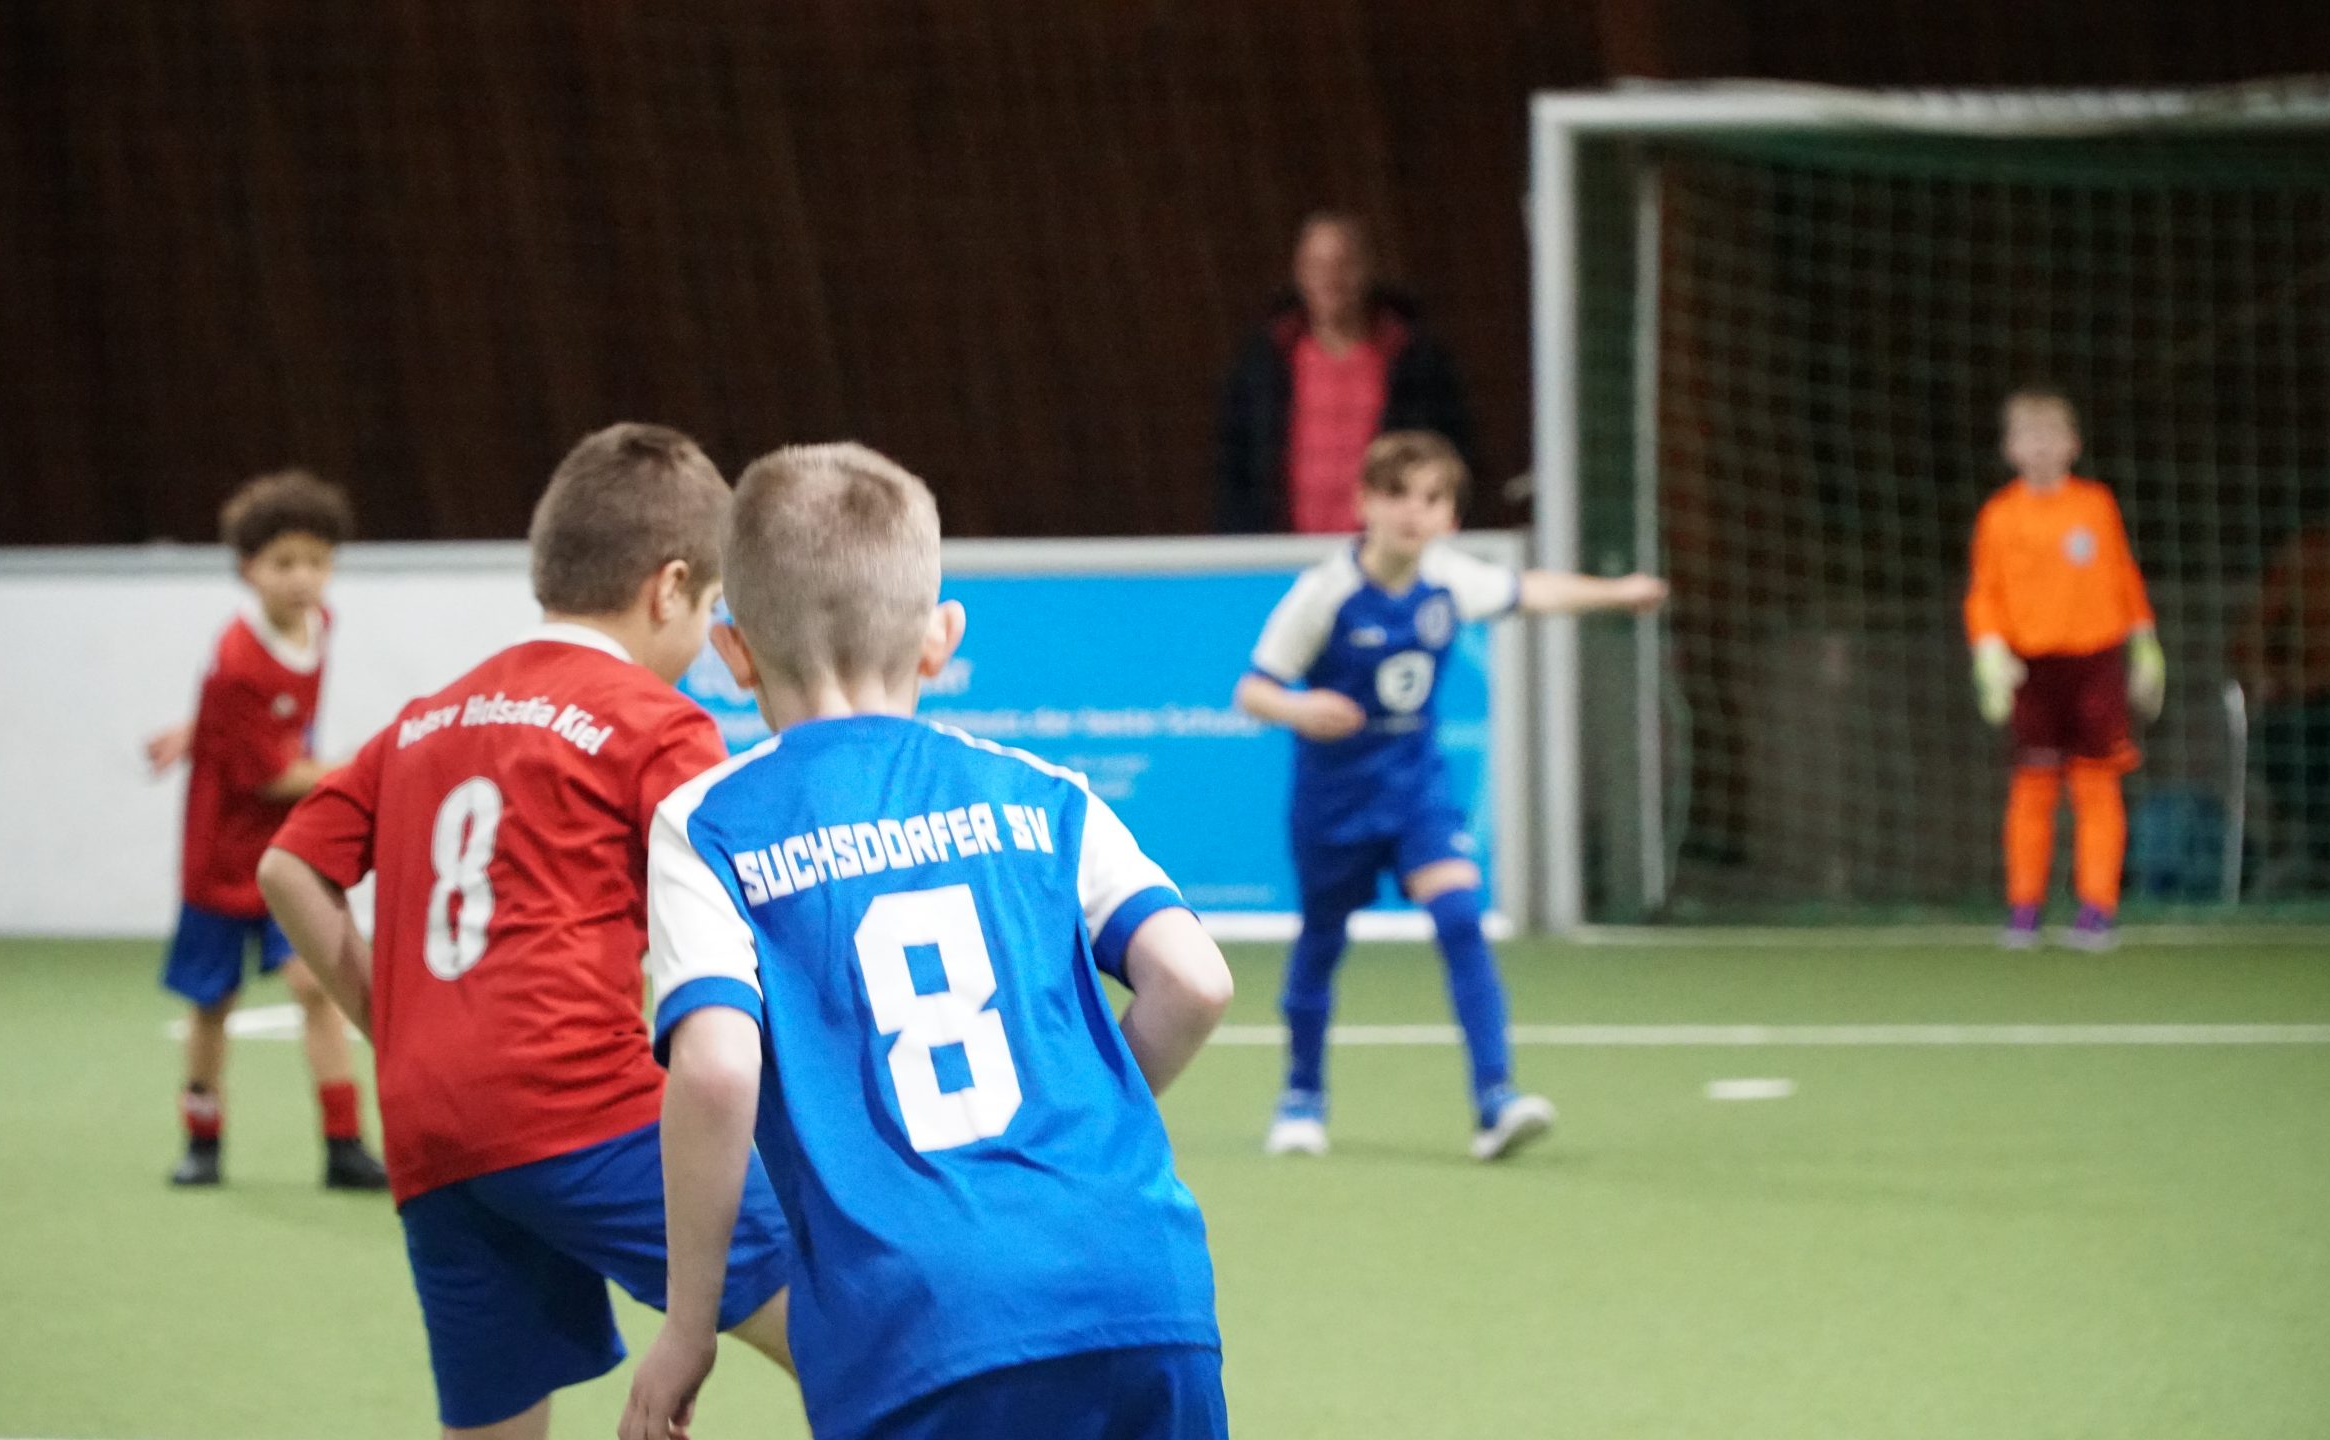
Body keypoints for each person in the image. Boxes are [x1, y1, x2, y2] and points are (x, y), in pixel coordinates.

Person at [619, 443, 1236, 1440]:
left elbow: (719, 1070)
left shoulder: (710, 824)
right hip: (1139, 1283)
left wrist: (689, 1326)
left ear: (732, 653)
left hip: (917, 1321)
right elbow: (1196, 982)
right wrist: (1082, 1123)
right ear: (941, 638)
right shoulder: (1043, 792)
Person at [257, 425, 794, 1439]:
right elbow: (748, 917)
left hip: (430, 1125)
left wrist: (393, 1026)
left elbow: (288, 868)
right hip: (583, 1107)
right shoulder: (657, 722)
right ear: (670, 588)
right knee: (853, 1334)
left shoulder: (428, 716)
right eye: (710, 606)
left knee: (494, 1425)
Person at [1235, 431, 1665, 1161]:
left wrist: (1615, 594)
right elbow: (1254, 689)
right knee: (1322, 940)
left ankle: (1496, 1100)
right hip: (1334, 801)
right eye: (1397, 494)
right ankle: (1301, 1096)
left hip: (1416, 792)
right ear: (1364, 503)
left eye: (1432, 499)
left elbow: (1532, 592)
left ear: (1451, 517)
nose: (1414, 511)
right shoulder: (1324, 593)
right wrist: (1300, 708)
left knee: (1461, 918)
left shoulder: (1448, 580)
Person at [151, 469, 383, 1190]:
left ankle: (344, 1143)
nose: (303, 578)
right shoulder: (239, 660)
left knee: (316, 986)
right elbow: (273, 775)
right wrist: (365, 768)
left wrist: (197, 729)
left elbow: (264, 721)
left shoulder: (320, 624)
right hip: (222, 858)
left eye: (317, 561)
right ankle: (203, 1139)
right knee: (212, 1004)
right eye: (284, 563)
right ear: (249, 569)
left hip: (289, 852)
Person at [1965, 386, 2164, 950]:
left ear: (2073, 444)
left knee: (2096, 785)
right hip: (2031, 669)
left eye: (2051, 435)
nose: (2040, 446)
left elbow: (2123, 577)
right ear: (2009, 448)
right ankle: (2024, 908)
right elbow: (1985, 592)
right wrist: (1988, 653)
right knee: (2032, 787)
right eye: (2028, 436)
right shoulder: (1999, 515)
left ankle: (2097, 909)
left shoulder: (2095, 505)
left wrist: (2145, 644)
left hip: (2094, 664)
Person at [1214, 211, 1475, 535]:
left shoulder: (1414, 361)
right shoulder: (1264, 364)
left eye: (1345, 265)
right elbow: (1235, 470)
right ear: (1299, 273)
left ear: (1369, 269)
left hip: (1387, 552)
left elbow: (1450, 463)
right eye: (1317, 266)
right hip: (1285, 554)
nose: (1331, 279)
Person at [2229, 482, 2330, 892]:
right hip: (2311, 703)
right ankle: (2314, 856)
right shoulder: (2310, 554)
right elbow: (2249, 637)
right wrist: (2266, 676)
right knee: (2294, 741)